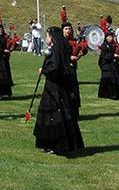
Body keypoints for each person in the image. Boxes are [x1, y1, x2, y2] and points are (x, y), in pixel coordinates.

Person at [33, 26, 85, 155]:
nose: (46, 39)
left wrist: (44, 71)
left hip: (55, 88)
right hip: (56, 86)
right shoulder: (58, 49)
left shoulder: (56, 50)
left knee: (55, 114)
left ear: (52, 37)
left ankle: (56, 144)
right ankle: (48, 142)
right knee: (51, 114)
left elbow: (55, 68)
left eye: (47, 36)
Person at [97, 31, 119, 100]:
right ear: (106, 38)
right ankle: (108, 94)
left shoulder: (113, 45)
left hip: (112, 65)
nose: (111, 38)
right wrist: (113, 55)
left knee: (114, 79)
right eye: (109, 37)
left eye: (112, 37)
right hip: (106, 65)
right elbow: (104, 56)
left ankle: (116, 95)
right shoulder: (104, 45)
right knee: (108, 80)